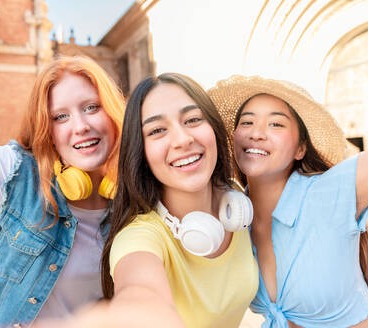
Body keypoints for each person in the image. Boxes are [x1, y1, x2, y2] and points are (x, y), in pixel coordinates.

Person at [0, 56, 125, 327]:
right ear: (48, 130)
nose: (80, 126)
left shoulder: (132, 199)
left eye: (91, 107)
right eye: (60, 116)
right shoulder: (18, 174)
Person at [208, 75, 368, 328]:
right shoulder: (236, 218)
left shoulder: (331, 190)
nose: (257, 133)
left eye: (276, 124)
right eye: (247, 122)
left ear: (300, 149)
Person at [97, 72, 259, 328]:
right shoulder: (138, 237)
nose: (183, 140)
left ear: (214, 129)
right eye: (157, 130)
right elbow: (139, 293)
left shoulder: (237, 207)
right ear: (141, 152)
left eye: (193, 119)